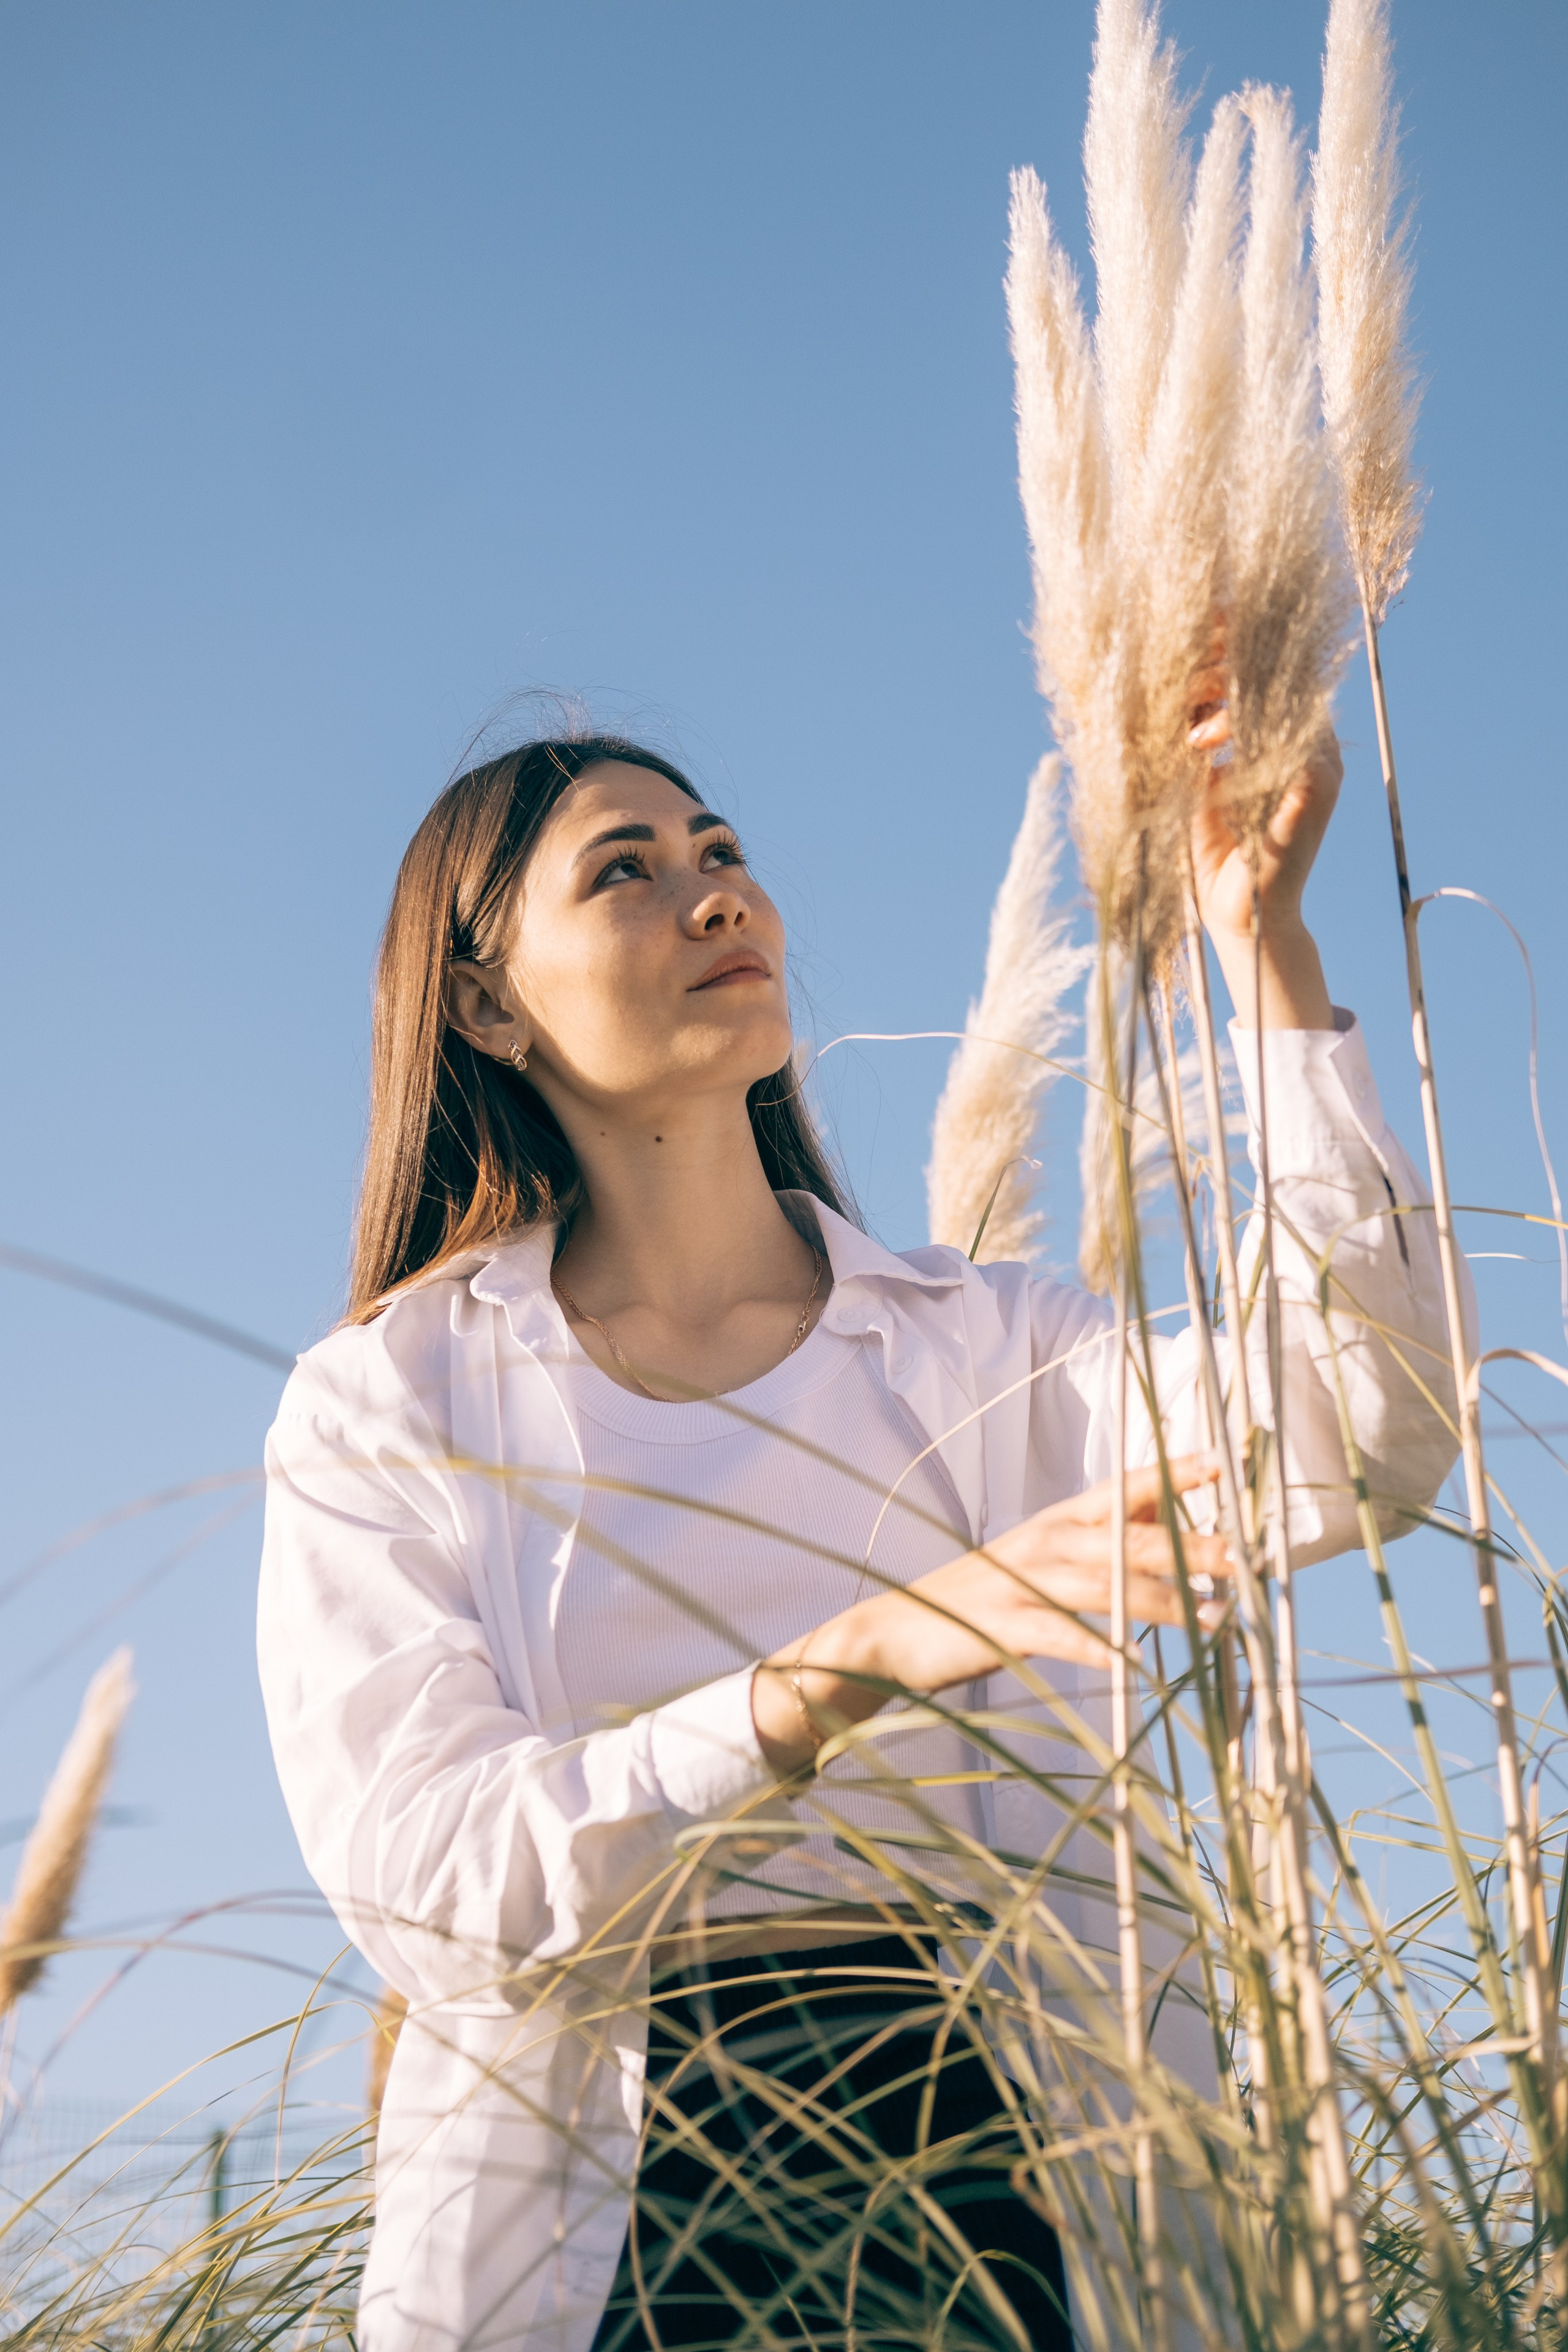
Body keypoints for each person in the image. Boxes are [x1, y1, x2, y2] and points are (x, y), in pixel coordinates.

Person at [258, 712, 1460, 2352]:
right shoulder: (389, 1400)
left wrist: (1265, 957)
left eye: (724, 854)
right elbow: (431, 1880)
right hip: (614, 2224)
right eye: (629, 871)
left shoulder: (987, 1346)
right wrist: (856, 1659)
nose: (712, 897)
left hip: (1001, 2177)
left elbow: (1356, 1438)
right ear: (485, 1002)